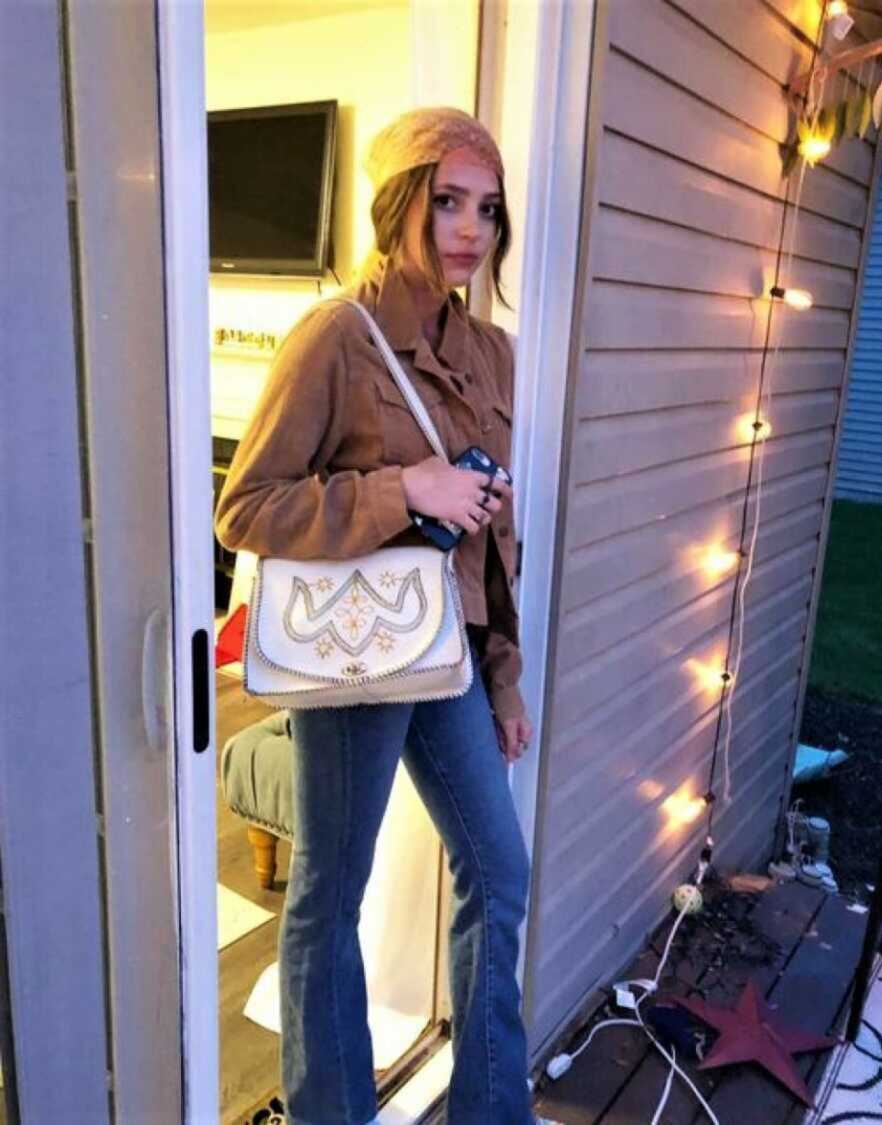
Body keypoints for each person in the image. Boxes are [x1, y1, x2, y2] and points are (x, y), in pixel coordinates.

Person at [215, 106, 559, 1125]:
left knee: (499, 871)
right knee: (330, 894)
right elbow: (244, 510)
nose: (469, 229)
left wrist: (506, 676)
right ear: (398, 203)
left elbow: (495, 537)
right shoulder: (338, 335)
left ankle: (490, 1110)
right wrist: (403, 488)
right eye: (447, 200)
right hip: (359, 656)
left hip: (451, 654)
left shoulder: (491, 354)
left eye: (488, 209)